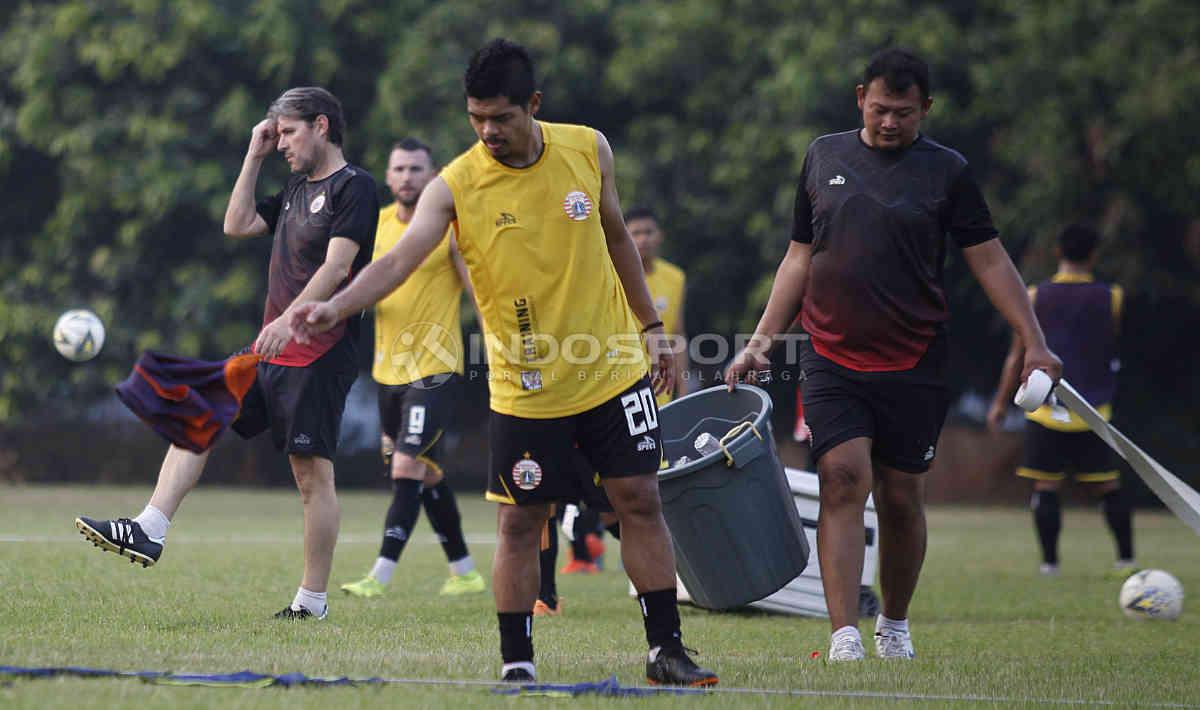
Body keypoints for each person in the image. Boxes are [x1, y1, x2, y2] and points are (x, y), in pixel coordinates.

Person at [291, 39, 716, 686]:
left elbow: (617, 236)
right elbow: (398, 261)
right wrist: (336, 304)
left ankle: (666, 651)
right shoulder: (456, 184)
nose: (487, 131)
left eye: (501, 118)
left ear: (533, 106)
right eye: (476, 118)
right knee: (521, 522)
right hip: (527, 387)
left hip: (610, 367)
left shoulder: (588, 148)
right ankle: (518, 667)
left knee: (639, 499)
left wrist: (654, 329)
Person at [725, 48, 1062, 661]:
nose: (889, 123)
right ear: (860, 97)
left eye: (903, 114)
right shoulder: (822, 156)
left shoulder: (949, 173)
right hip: (831, 354)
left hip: (916, 358)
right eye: (880, 109)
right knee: (842, 479)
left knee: (902, 497)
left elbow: (989, 258)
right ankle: (845, 632)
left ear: (925, 109)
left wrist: (1034, 340)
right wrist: (759, 342)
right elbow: (799, 255)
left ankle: (895, 623)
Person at [76, 87, 378, 621]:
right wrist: (252, 155)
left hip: (319, 353)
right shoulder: (289, 189)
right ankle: (149, 529)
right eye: (277, 133)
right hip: (270, 348)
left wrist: (292, 321)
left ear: (323, 126)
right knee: (199, 413)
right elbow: (235, 224)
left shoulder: (354, 189)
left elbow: (336, 270)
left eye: (288, 132)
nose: (280, 142)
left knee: (312, 477)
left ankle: (311, 602)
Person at [339, 138, 485, 599]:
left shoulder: (448, 228)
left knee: (405, 467)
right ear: (387, 176)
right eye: (398, 168)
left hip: (436, 370)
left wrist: (496, 346)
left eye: (416, 169)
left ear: (433, 174)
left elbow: (479, 294)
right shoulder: (375, 227)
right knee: (426, 475)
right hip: (387, 374)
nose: (407, 177)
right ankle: (464, 571)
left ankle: (378, 576)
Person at [987, 224, 1133, 576]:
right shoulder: (1112, 297)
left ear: (1058, 252)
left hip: (1046, 408)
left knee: (1046, 486)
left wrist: (1000, 402)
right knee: (1108, 485)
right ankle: (1126, 559)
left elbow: (1016, 355)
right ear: (1094, 254)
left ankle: (1050, 564)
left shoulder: (1035, 296)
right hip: (1095, 410)